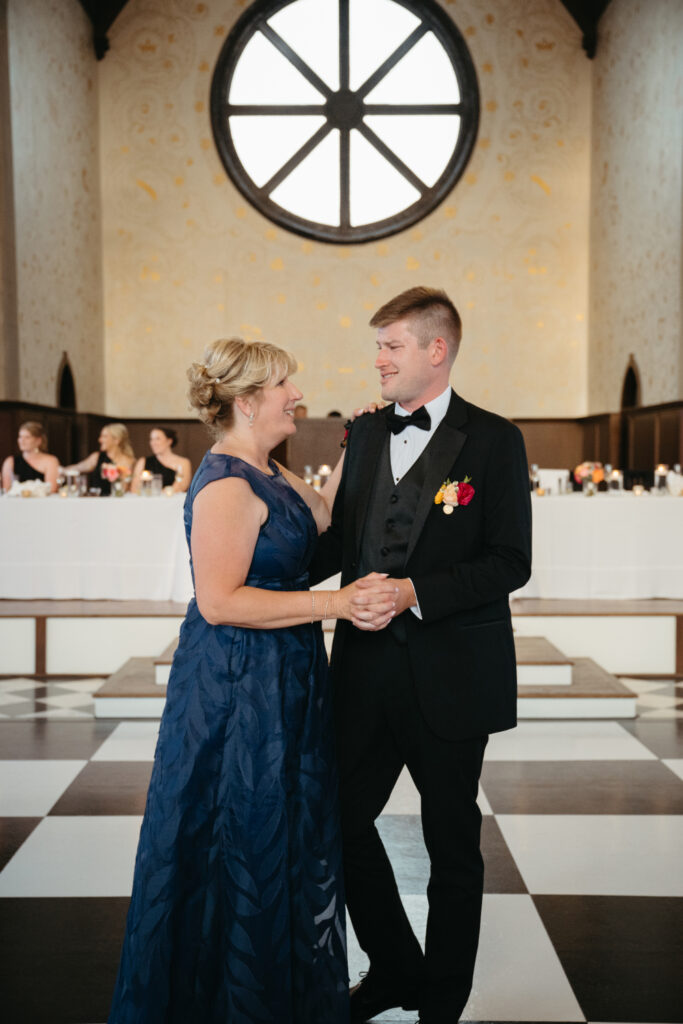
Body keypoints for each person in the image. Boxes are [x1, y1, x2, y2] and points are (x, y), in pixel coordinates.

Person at [109, 338, 396, 1024]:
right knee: (238, 831)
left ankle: (273, 996)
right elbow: (220, 600)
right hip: (236, 683)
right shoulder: (227, 483)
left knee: (282, 830)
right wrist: (336, 604)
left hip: (286, 671)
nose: (296, 393)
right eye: (284, 384)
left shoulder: (268, 468)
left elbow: (323, 525)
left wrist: (358, 445)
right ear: (245, 401)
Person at [310, 286, 532, 1023]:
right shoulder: (366, 433)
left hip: (451, 674)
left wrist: (413, 592)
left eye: (391, 346)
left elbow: (509, 562)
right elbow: (344, 541)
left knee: (450, 843)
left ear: (436, 351)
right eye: (377, 346)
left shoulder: (495, 440)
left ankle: (442, 998)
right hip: (363, 675)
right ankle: (396, 967)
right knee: (336, 822)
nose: (377, 360)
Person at [65, 422, 135, 496]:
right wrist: (60, 470)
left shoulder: (129, 461)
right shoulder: (96, 457)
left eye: (104, 436)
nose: (100, 440)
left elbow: (124, 489)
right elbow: (76, 468)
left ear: (116, 440)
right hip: (95, 501)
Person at [1, 421, 60, 493]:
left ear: (38, 441)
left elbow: (52, 489)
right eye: (20, 437)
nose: (22, 441)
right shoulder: (10, 461)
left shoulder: (51, 461)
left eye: (27, 437)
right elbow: (6, 490)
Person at [130, 426, 192, 493]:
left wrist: (160, 494)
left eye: (157, 439)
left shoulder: (183, 462)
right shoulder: (143, 461)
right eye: (151, 439)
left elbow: (182, 486)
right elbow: (134, 488)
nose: (153, 443)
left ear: (169, 441)